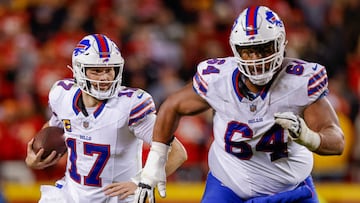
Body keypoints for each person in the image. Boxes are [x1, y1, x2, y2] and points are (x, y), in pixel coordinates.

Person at [134, 5, 344, 203]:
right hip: (228, 188)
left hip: (291, 190)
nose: (256, 59)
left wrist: (309, 137)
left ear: (280, 44)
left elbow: (337, 141)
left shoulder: (299, 82)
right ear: (236, 50)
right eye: (248, 51)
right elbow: (172, 105)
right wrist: (155, 162)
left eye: (263, 49)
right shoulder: (218, 79)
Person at [25, 34, 187, 203]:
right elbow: (53, 127)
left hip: (116, 200)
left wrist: (143, 181)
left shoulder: (129, 106)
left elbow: (177, 153)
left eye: (109, 70)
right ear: (79, 70)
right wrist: (36, 156)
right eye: (96, 70)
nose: (105, 77)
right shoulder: (62, 95)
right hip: (70, 195)